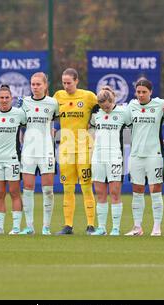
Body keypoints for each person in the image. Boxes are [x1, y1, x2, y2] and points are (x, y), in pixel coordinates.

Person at [54, 68, 97, 235]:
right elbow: (44, 108)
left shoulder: (88, 96)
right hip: (65, 149)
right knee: (68, 188)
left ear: (76, 81)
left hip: (84, 148)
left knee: (86, 186)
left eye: (69, 83)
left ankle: (91, 225)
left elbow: (107, 104)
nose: (66, 86)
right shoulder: (58, 96)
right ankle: (68, 225)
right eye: (64, 83)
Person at [124, 79, 164, 237]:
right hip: (136, 155)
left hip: (154, 155)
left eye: (144, 92)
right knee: (137, 191)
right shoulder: (131, 106)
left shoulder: (159, 104)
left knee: (155, 191)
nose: (141, 95)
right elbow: (123, 121)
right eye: (138, 92)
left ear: (151, 92)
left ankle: (157, 227)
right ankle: (137, 227)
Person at [19, 72, 59, 235]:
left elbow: (56, 123)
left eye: (38, 84)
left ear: (45, 86)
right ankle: (29, 226)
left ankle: (46, 227)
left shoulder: (53, 103)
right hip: (29, 151)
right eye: (33, 84)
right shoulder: (24, 103)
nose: (35, 87)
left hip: (46, 151)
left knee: (48, 190)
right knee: (27, 188)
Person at [89, 86, 132, 235]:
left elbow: (133, 128)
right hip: (98, 157)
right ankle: (101, 227)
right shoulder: (96, 113)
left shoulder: (123, 112)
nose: (105, 109)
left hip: (115, 157)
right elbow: (92, 129)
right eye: (102, 106)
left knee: (114, 193)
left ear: (112, 100)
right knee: (100, 193)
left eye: (107, 106)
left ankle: (115, 228)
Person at [0, 84, 27, 235]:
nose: (4, 100)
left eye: (7, 98)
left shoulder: (19, 114)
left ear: (11, 98)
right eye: (1, 98)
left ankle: (16, 227)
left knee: (14, 193)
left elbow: (29, 127)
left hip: (12, 159)